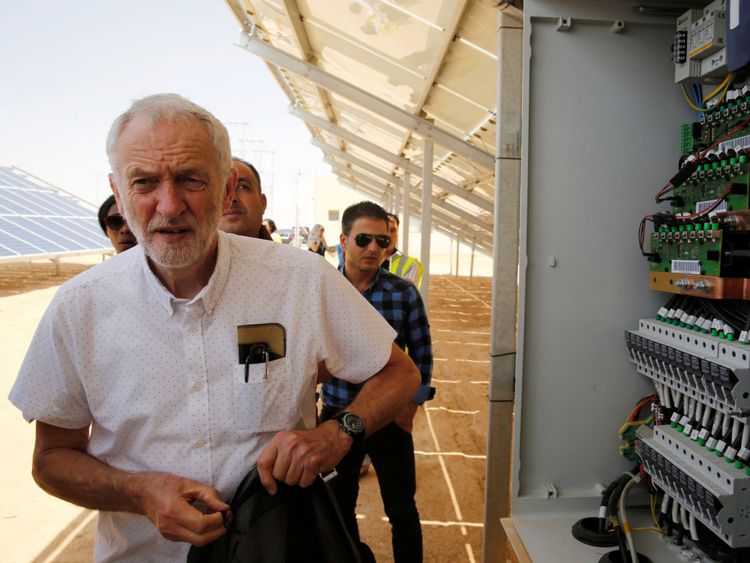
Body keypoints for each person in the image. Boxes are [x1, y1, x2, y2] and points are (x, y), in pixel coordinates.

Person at [8, 94, 420, 562]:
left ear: (226, 189)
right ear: (119, 195)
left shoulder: (300, 279)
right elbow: (51, 458)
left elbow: (399, 373)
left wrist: (338, 432)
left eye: (190, 179)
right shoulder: (79, 307)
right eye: (144, 183)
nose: (169, 205)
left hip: (279, 549)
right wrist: (138, 492)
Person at [321, 201, 434, 563]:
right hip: (338, 412)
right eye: (363, 239)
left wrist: (409, 407)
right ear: (343, 239)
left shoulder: (403, 293)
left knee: (401, 508)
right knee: (338, 507)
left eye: (382, 241)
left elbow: (422, 353)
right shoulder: (321, 289)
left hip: (389, 417)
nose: (373, 248)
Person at [218, 157, 272, 240]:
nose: (232, 199)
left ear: (263, 203)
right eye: (221, 188)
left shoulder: (289, 253)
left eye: (242, 187)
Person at [382, 213, 423, 289]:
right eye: (385, 230)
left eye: (393, 230)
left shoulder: (410, 265)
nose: (389, 235)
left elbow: (405, 297)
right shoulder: (365, 259)